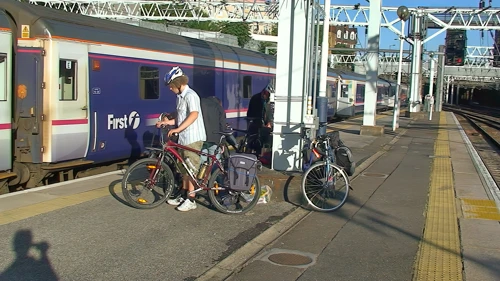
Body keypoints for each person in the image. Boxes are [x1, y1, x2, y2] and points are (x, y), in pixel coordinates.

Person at [156, 66, 206, 212]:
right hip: (184, 138)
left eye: (171, 86)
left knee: (190, 168)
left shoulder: (191, 95)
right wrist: (166, 122)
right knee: (183, 168)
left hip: (193, 137)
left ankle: (191, 199)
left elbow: (194, 115)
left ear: (178, 84)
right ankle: (183, 195)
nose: (170, 89)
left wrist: (177, 129)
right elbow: (180, 118)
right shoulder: (180, 97)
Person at [246, 83, 274, 155]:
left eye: (268, 94)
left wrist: (269, 122)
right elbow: (253, 112)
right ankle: (248, 154)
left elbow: (268, 112)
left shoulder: (268, 100)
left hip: (262, 122)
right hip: (254, 121)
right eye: (266, 94)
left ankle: (259, 155)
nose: (266, 96)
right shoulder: (255, 98)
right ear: (263, 92)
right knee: (252, 138)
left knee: (261, 139)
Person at [200, 96, 226, 163]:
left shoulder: (200, 104)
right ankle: (215, 173)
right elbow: (222, 126)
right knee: (215, 161)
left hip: (201, 138)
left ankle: (205, 173)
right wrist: (222, 143)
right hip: (215, 139)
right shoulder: (219, 107)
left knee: (202, 162)